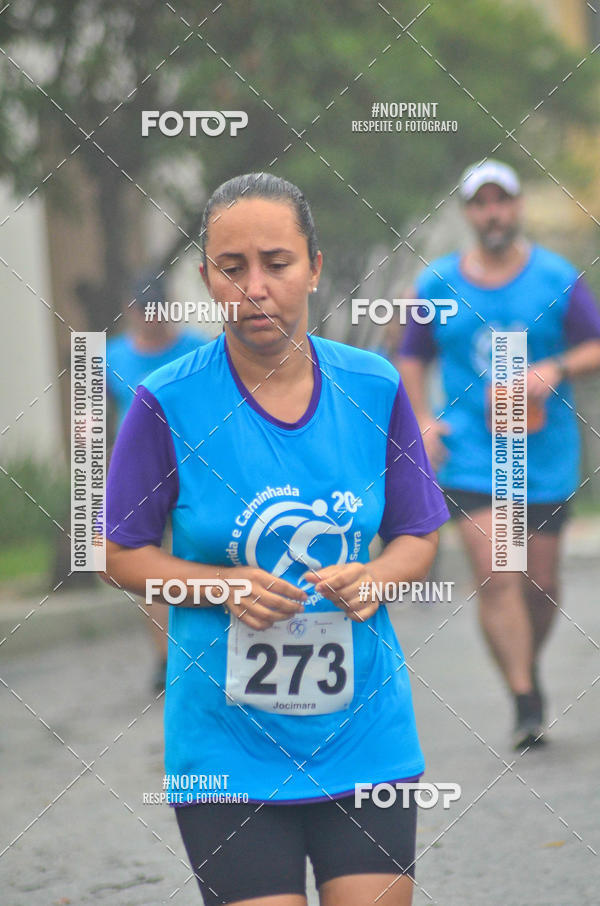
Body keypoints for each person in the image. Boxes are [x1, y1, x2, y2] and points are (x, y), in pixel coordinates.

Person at [102, 173, 449, 906]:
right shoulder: (166, 400)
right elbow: (116, 551)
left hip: (366, 735)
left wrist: (378, 577)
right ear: (207, 279)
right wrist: (221, 587)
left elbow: (417, 533)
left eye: (277, 263)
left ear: (314, 268)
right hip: (224, 746)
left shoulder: (374, 386)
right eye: (232, 267)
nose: (254, 288)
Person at [396, 159, 600, 750]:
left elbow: (595, 344)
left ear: (517, 208)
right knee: (496, 574)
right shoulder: (436, 284)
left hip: (542, 455)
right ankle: (524, 700)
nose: (493, 214)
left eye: (501, 202)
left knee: (540, 583)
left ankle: (524, 664)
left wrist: (553, 369)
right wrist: (422, 418)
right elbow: (411, 356)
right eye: (481, 204)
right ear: (469, 213)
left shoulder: (556, 277)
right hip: (473, 454)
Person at [106, 273, 209, 691]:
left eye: (158, 307)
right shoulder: (110, 358)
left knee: (201, 556)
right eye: (143, 308)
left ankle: (204, 650)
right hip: (140, 478)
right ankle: (166, 657)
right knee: (148, 563)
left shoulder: (198, 349)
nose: (152, 316)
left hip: (194, 471)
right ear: (129, 311)